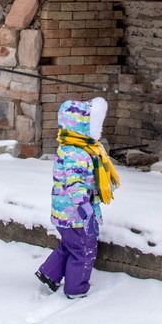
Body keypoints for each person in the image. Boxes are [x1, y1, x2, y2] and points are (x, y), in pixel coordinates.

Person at [36, 97, 119, 299]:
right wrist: (85, 209)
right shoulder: (77, 154)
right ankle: (76, 288)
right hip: (75, 215)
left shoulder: (71, 147)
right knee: (84, 250)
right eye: (94, 125)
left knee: (71, 244)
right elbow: (75, 183)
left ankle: (49, 273)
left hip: (64, 213)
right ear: (81, 127)